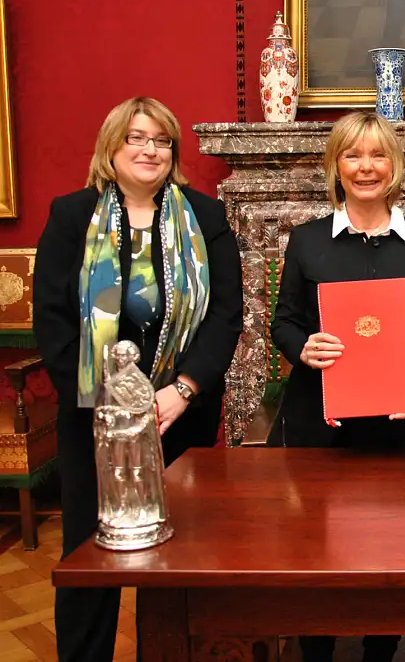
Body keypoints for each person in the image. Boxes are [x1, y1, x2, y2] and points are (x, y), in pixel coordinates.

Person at [33, 97, 243, 662]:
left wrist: (183, 389)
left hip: (183, 412)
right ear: (112, 147)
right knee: (88, 550)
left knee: (184, 551)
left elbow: (227, 313)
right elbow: (52, 320)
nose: (150, 150)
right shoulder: (72, 216)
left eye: (162, 140)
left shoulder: (207, 216)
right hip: (95, 421)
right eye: (137, 138)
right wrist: (112, 405)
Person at [268, 110, 405, 662]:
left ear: (393, 165)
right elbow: (283, 320)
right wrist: (301, 347)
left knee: (387, 552)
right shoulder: (305, 241)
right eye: (353, 154)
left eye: (377, 155)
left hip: (394, 423)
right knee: (316, 554)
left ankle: (380, 649)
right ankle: (316, 650)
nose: (366, 167)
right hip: (319, 422)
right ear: (336, 165)